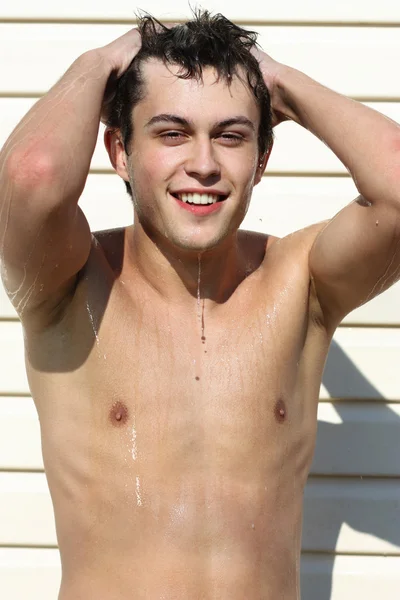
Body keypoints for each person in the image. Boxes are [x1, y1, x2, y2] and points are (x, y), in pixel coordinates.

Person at [0, 9, 399, 600]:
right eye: (171, 133)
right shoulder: (70, 284)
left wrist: (280, 80)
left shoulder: (300, 287)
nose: (205, 164)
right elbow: (33, 176)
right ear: (119, 151)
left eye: (232, 136)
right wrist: (105, 60)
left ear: (261, 159)